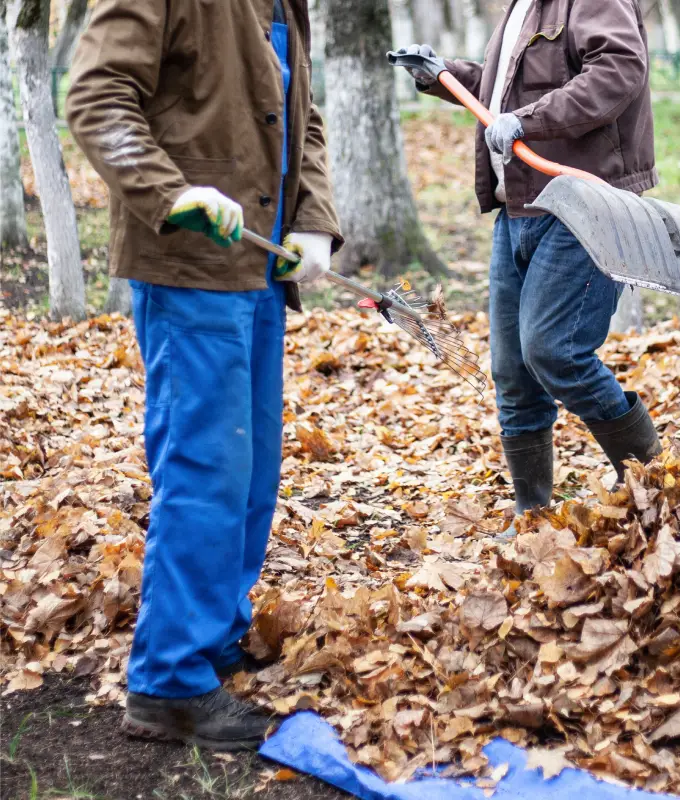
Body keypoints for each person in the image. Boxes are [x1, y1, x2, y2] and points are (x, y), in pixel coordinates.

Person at [66, 0, 340, 749]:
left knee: (251, 474)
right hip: (188, 269)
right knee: (206, 469)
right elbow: (97, 95)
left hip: (261, 267)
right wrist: (170, 192)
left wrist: (312, 215)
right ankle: (169, 683)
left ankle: (215, 635)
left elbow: (300, 115)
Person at [394, 0, 661, 532]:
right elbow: (504, 95)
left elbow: (618, 69)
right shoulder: (522, 7)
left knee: (554, 351)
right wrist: (443, 73)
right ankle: (532, 513)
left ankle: (652, 476)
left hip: (583, 206)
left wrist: (527, 121)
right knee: (513, 371)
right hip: (517, 209)